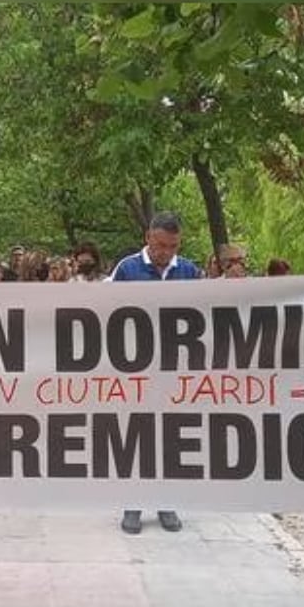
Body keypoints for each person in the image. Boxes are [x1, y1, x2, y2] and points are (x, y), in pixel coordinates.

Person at [110, 212, 202, 535]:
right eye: (160, 245)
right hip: (134, 368)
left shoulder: (189, 271)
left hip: (173, 370)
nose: (165, 253)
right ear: (149, 237)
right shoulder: (127, 268)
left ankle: (166, 502)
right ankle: (132, 504)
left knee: (169, 436)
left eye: (172, 247)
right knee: (136, 435)